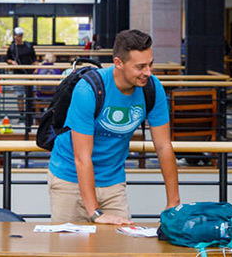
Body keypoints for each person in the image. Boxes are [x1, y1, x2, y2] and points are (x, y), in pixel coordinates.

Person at [48, 29, 179, 224]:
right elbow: (82, 158)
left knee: (120, 249)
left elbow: (163, 146)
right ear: (118, 63)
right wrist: (95, 213)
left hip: (113, 181)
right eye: (140, 67)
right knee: (69, 250)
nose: (148, 72)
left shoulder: (152, 88)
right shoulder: (88, 89)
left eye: (150, 64)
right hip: (70, 179)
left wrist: (173, 203)